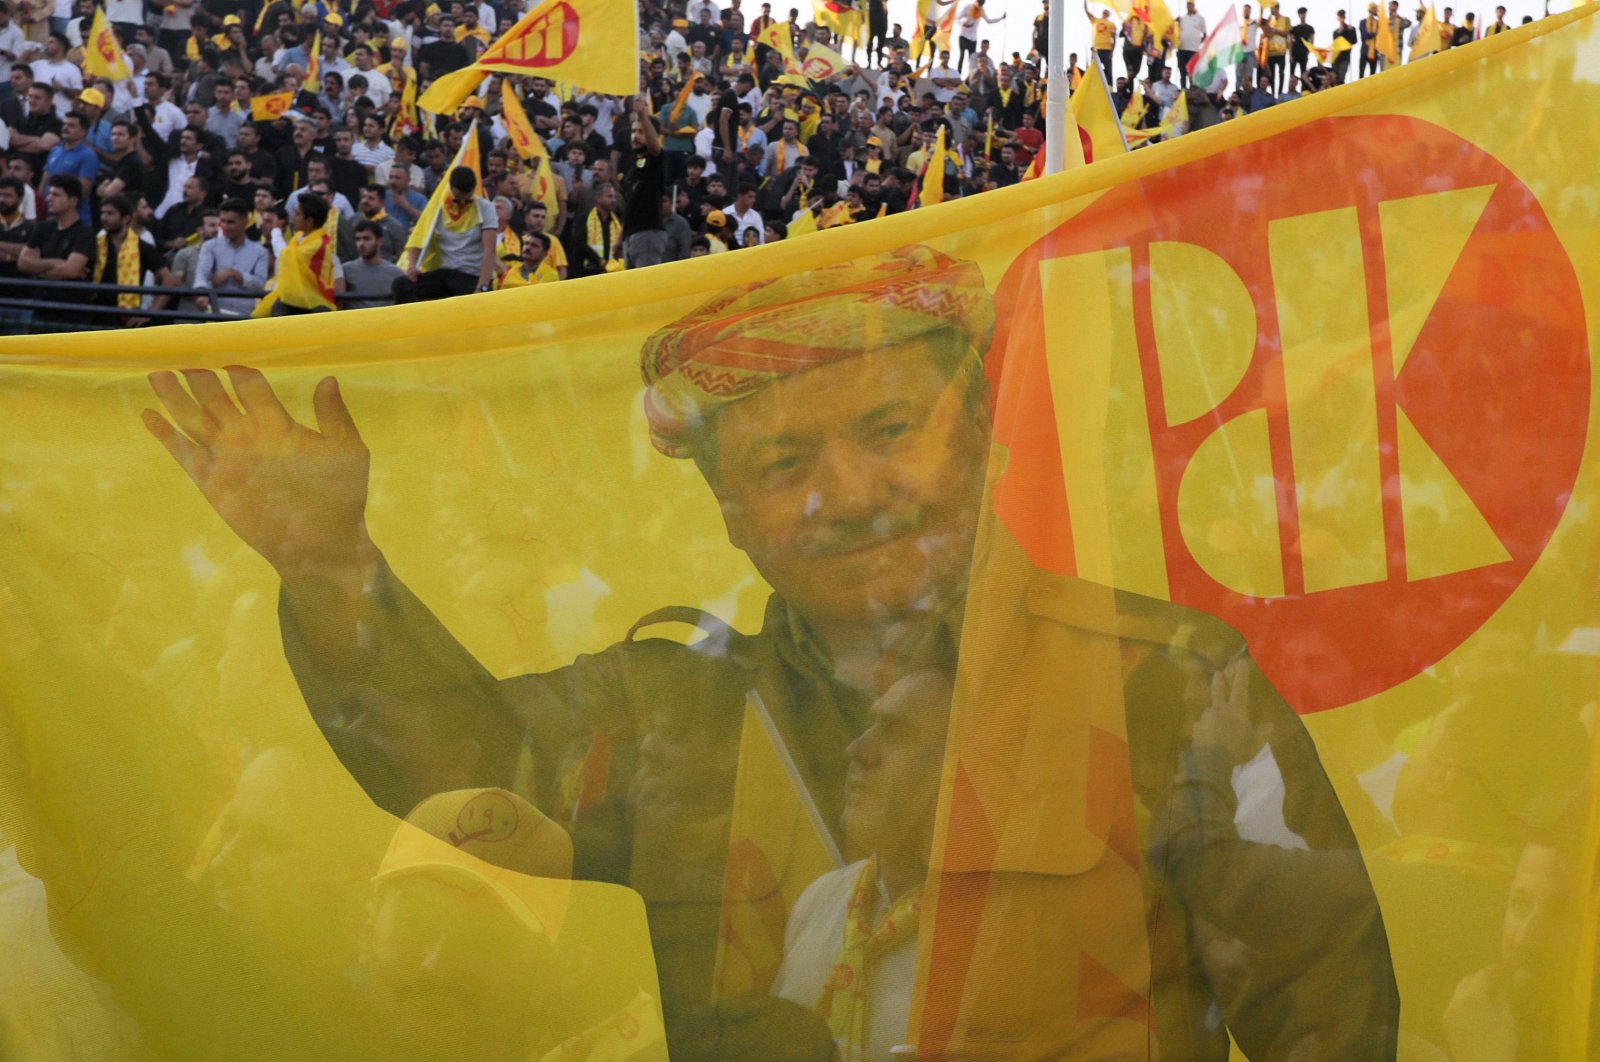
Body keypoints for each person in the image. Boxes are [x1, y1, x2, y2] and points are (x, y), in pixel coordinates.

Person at [143, 246, 1396, 1057]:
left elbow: (1323, 997)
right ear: (731, 518)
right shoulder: (673, 715)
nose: (847, 495)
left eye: (890, 429)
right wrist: (327, 567)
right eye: (785, 465)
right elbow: (469, 767)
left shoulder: (1164, 678)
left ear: (983, 445)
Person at [773, 666, 953, 1062]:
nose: (857, 749)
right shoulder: (820, 900)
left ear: (960, 770)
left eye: (898, 733)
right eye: (871, 724)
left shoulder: (1002, 941)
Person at [393, 165, 495, 301]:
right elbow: (419, 237)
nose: (462, 204)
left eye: (468, 200)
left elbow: (489, 250)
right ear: (451, 189)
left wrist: (483, 286)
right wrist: (412, 265)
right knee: (401, 285)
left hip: (470, 274)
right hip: (443, 272)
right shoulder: (437, 207)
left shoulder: (485, 208)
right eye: (457, 200)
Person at [90, 194, 173, 326]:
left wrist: (151, 313)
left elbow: (168, 280)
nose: (104, 218)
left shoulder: (143, 247)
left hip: (127, 320)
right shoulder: (94, 245)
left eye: (110, 213)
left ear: (126, 218)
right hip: (94, 316)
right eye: (103, 213)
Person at [17, 175, 92, 313]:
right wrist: (55, 262)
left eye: (56, 195)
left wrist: (37, 272)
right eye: (49, 193)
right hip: (41, 306)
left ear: (73, 201)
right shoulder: (42, 228)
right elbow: (23, 263)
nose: (49, 199)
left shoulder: (84, 232)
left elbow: (70, 270)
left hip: (72, 310)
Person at [195, 197, 270, 317]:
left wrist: (237, 275)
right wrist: (202, 293)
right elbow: (201, 275)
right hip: (214, 312)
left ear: (245, 221)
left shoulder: (260, 252)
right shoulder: (209, 247)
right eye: (222, 221)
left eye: (230, 222)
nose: (225, 226)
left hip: (245, 315)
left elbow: (260, 283)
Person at [341, 219, 403, 308]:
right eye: (358, 239)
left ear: (379, 241)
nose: (361, 244)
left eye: (366, 239)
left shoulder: (396, 273)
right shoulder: (345, 271)